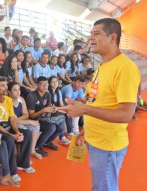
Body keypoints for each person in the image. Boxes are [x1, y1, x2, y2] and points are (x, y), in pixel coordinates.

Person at [60, 18, 141, 191]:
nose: (90, 38)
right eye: (91, 33)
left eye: (96, 33)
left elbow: (126, 114)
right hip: (95, 139)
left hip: (107, 144)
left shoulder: (125, 68)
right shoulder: (102, 67)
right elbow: (98, 101)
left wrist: (85, 109)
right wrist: (84, 131)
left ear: (112, 37)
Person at [0, 76, 34, 182]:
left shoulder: (8, 100)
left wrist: (17, 132)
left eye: (6, 85)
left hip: (8, 127)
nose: (6, 88)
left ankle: (24, 164)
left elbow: (12, 120)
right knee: (9, 139)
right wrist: (12, 135)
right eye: (3, 85)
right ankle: (12, 171)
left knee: (27, 133)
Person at [26, 76, 64, 156]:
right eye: (42, 84)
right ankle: (37, 147)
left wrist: (53, 109)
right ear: (37, 85)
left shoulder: (47, 94)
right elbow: (32, 116)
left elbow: (48, 107)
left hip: (44, 118)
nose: (44, 87)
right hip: (33, 121)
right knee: (51, 127)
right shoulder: (31, 96)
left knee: (61, 127)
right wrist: (44, 110)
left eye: (46, 84)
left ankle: (47, 142)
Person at [8, 82, 42, 159]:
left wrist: (17, 119)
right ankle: (21, 155)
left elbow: (26, 114)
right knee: (26, 131)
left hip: (19, 121)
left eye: (19, 90)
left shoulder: (21, 99)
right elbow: (11, 121)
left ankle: (32, 150)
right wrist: (28, 121)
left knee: (36, 125)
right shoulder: (7, 101)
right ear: (9, 92)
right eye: (15, 90)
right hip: (11, 125)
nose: (18, 92)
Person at [48, 76, 70, 145]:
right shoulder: (47, 91)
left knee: (66, 113)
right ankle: (62, 137)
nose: (55, 83)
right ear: (49, 83)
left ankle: (64, 135)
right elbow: (49, 105)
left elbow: (61, 104)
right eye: (52, 82)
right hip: (50, 110)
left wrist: (66, 109)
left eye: (56, 82)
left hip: (56, 109)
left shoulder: (59, 91)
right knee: (61, 117)